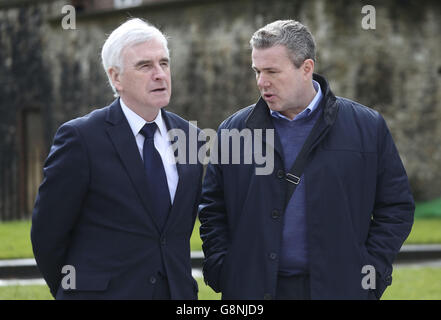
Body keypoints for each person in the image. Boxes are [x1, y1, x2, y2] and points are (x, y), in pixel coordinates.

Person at [198, 19, 414, 300]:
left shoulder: (367, 127)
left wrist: (370, 272)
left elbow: (395, 207)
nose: (262, 82)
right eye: (257, 71)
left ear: (306, 69)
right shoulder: (232, 131)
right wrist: (224, 269)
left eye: (272, 71)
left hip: (340, 291)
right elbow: (213, 208)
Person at [31, 18, 203, 300]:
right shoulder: (80, 138)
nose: (159, 74)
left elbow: (177, 231)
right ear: (115, 78)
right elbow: (47, 235)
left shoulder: (191, 137)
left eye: (164, 63)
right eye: (145, 66)